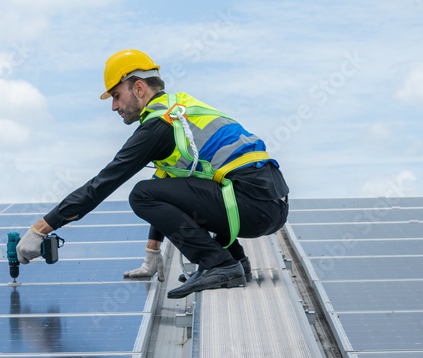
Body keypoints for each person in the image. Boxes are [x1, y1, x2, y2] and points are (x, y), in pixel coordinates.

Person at [16, 49, 289, 299]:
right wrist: (152, 253)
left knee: (140, 194)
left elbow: (102, 184)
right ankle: (236, 261)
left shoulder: (158, 127)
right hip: (268, 203)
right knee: (162, 188)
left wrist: (41, 229)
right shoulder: (177, 110)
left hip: (251, 206)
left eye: (115, 95)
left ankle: (219, 264)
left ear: (138, 87)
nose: (114, 106)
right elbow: (169, 190)